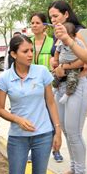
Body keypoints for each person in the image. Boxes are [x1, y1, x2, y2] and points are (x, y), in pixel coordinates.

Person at [0, 34, 62, 174]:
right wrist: (17, 120)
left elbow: (51, 103)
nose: (30, 54)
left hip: (43, 135)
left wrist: (57, 130)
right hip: (17, 138)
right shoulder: (5, 78)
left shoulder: (42, 72)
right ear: (14, 54)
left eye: (31, 50)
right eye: (25, 51)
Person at [48, 0, 87, 174]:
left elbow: (86, 62)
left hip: (78, 86)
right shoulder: (58, 34)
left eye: (56, 16)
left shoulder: (79, 33)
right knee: (67, 130)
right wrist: (55, 62)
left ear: (66, 14)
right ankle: (74, 168)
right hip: (61, 87)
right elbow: (55, 56)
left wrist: (63, 67)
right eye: (50, 17)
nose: (52, 20)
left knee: (74, 132)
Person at [29, 12, 64, 163]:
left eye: (37, 23)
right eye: (32, 23)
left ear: (45, 25)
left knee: (51, 117)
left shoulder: (52, 42)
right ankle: (34, 151)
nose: (34, 25)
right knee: (34, 119)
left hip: (48, 85)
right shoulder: (26, 42)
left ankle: (56, 150)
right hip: (31, 85)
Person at [51, 22, 81, 105]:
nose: (64, 41)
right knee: (55, 76)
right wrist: (56, 61)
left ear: (74, 36)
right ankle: (55, 88)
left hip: (73, 67)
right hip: (61, 65)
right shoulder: (61, 42)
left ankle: (67, 94)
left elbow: (83, 55)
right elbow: (57, 51)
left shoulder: (78, 43)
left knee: (72, 80)